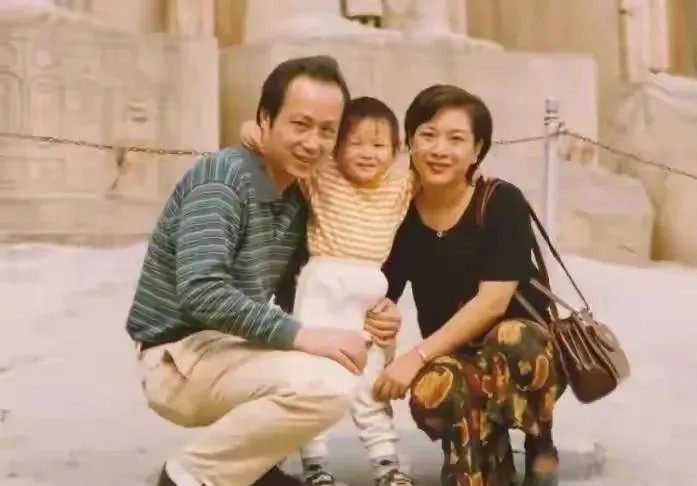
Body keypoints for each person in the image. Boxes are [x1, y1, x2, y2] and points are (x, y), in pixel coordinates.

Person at [125, 55, 401, 486]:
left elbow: (300, 287)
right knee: (327, 383)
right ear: (265, 120)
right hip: (177, 356)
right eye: (300, 124)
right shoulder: (221, 180)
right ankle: (185, 477)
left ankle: (253, 472)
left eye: (327, 130)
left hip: (228, 347)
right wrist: (305, 336)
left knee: (335, 363)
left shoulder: (296, 194)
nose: (312, 142)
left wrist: (374, 311)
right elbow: (202, 292)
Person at [372, 85, 565, 486]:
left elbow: (493, 302)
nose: (439, 149)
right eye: (428, 135)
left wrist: (415, 356)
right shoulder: (399, 211)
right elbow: (383, 288)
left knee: (513, 339)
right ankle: (487, 457)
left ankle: (538, 436)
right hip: (456, 354)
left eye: (456, 139)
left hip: (524, 353)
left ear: (477, 150)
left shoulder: (500, 202)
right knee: (433, 390)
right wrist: (382, 312)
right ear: (409, 141)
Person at [240, 96, 416, 486]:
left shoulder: (401, 185)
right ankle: (315, 465)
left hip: (370, 287)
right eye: (356, 143)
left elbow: (445, 175)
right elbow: (261, 140)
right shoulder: (322, 174)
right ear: (336, 147)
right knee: (312, 375)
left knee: (369, 378)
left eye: (378, 144)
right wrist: (255, 131)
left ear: (396, 151)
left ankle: (387, 464)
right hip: (323, 281)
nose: (367, 153)